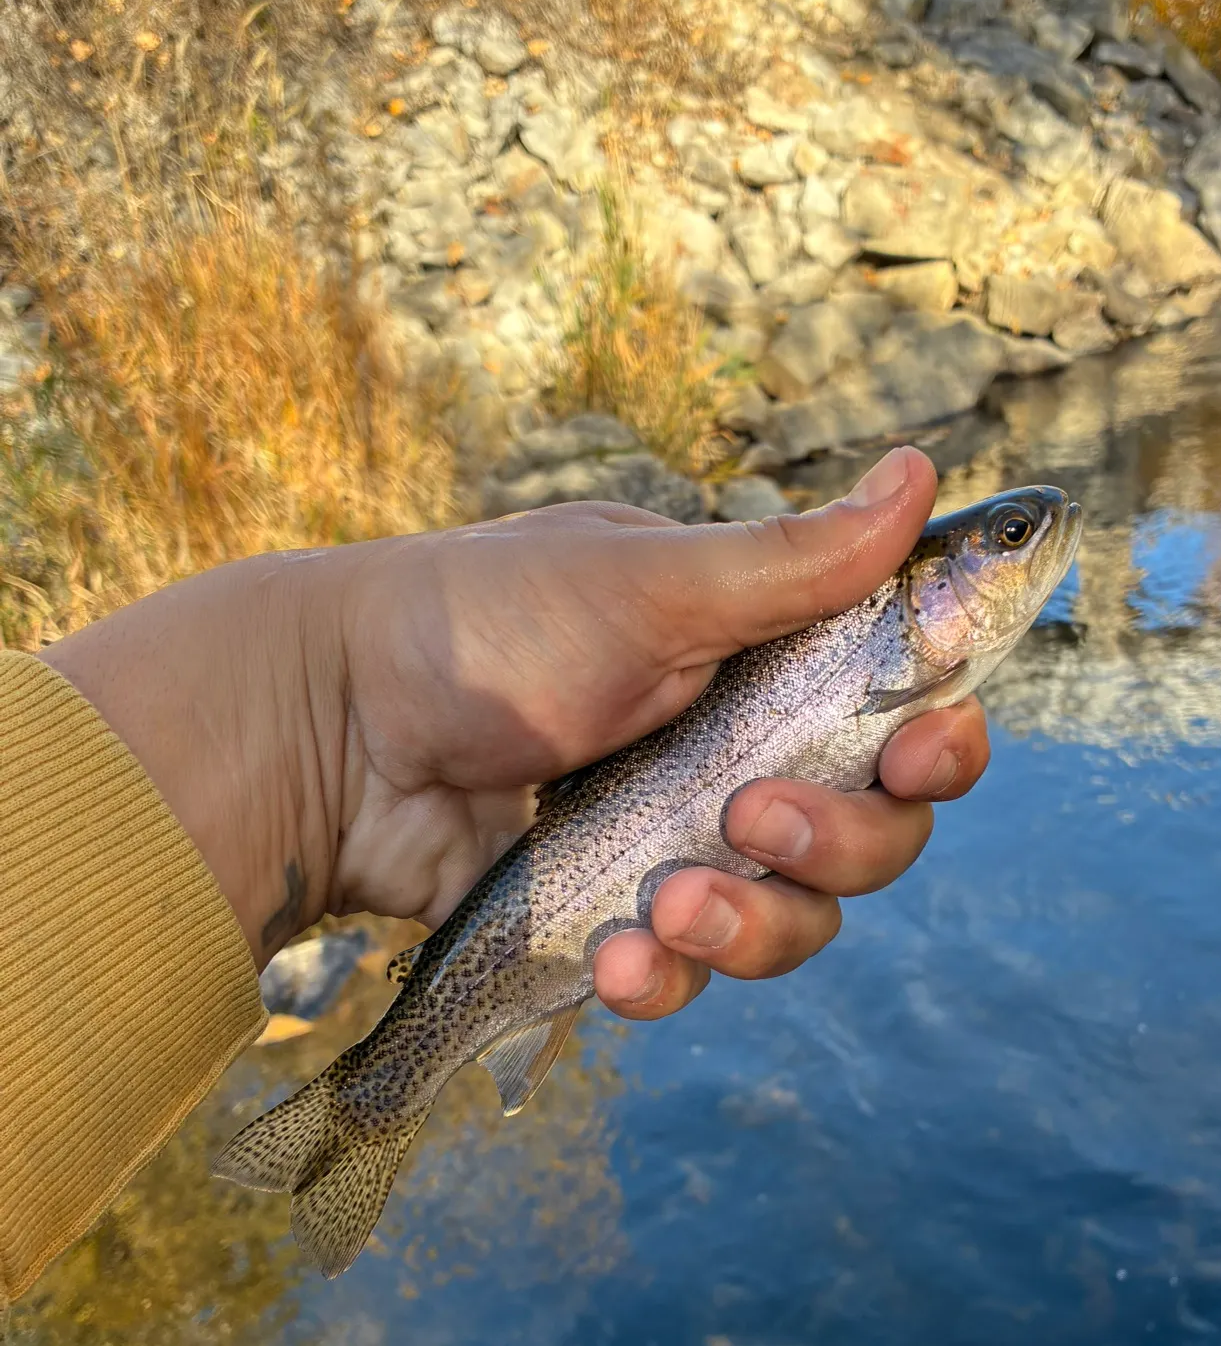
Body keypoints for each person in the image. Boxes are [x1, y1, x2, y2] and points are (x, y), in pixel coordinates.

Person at [0, 445, 990, 1303]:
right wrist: (332, 706)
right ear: (924, 594)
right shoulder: (882, 641)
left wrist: (330, 714)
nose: (1038, 540)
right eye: (1017, 537)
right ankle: (378, 1092)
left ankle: (384, 1091)